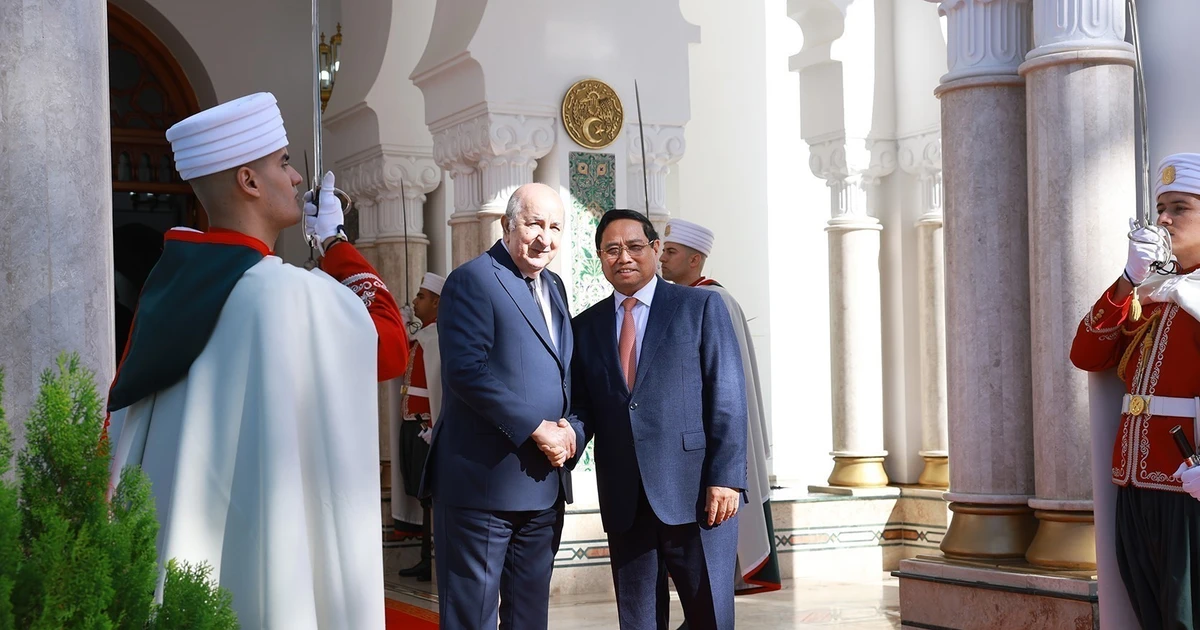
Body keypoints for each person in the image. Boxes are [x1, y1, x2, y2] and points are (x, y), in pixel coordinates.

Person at [105, 92, 408, 630]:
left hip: (181, 546)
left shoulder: (167, 284)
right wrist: (335, 242)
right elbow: (387, 343)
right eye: (284, 163)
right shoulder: (283, 295)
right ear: (248, 182)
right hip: (268, 538)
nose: (295, 180)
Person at [568, 209, 747, 630]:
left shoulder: (700, 306)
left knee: (710, 617)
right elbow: (585, 407)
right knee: (639, 622)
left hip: (698, 495)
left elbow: (728, 396)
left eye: (634, 246)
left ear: (654, 249)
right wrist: (564, 438)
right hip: (625, 499)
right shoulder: (586, 326)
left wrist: (726, 477)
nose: (623, 257)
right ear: (600, 257)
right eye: (612, 249)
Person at [419, 182, 579, 630]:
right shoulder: (473, 279)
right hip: (481, 488)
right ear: (508, 225)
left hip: (543, 484)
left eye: (555, 227)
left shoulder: (556, 287)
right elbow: (467, 372)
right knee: (473, 619)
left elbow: (564, 375)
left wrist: (570, 433)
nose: (544, 238)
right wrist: (537, 428)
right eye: (533, 224)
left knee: (529, 619)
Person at [1071, 153, 1200, 629]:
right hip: (1136, 482)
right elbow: (1087, 354)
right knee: (1150, 613)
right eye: (1160, 206)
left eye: (1179, 207)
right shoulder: (1153, 289)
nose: (1163, 218)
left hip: (1190, 483)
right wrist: (1128, 279)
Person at [659, 218, 781, 598]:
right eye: (662, 250)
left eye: (671, 252)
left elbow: (728, 386)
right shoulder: (679, 299)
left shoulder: (715, 300)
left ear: (696, 260)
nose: (662, 258)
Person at [393, 272, 445, 582]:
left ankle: (431, 558)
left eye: (422, 297)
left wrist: (431, 422)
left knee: (429, 495)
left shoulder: (438, 338)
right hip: (411, 426)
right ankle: (425, 556)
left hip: (426, 428)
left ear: (437, 302)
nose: (415, 301)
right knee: (416, 490)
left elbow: (437, 387)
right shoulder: (422, 336)